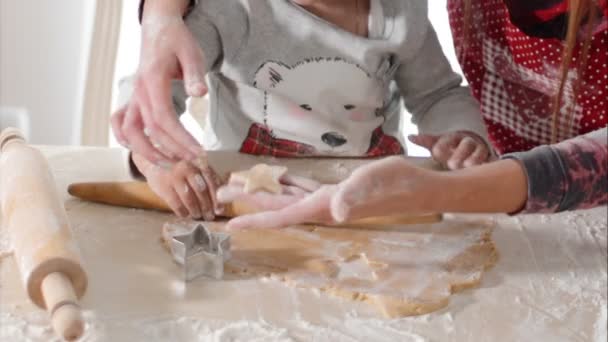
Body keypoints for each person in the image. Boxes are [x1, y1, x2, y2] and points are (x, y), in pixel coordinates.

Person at [218, 0, 608, 229]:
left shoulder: (398, 16)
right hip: (497, 192)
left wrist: (446, 167)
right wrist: (165, 13)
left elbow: (437, 92)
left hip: (586, 214)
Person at [112, 0, 494, 219]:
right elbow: (147, 100)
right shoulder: (230, 11)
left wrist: (461, 135)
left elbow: (438, 94)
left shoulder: (400, 15)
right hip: (243, 200)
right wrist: (161, 165)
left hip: (365, 200)